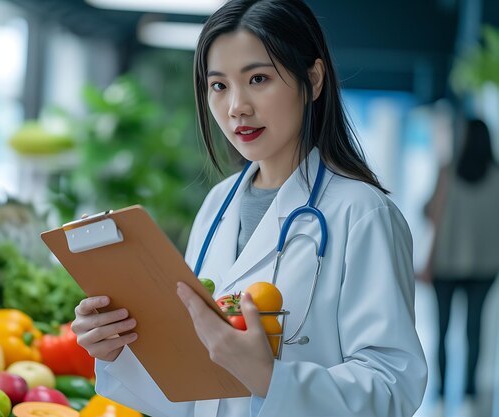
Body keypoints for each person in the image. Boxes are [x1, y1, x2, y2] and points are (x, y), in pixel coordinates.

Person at [71, 1, 428, 416]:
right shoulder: (216, 205)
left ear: (312, 80)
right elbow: (194, 385)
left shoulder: (362, 213)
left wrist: (270, 378)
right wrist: (116, 348)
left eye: (258, 78)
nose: (236, 106)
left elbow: (393, 387)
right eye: (219, 86)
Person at [420, 118, 499, 415]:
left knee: (442, 330)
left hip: (446, 265)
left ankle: (440, 394)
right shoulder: (497, 176)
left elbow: (430, 212)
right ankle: (469, 393)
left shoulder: (448, 172)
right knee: (474, 331)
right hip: (485, 266)